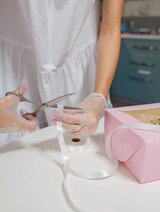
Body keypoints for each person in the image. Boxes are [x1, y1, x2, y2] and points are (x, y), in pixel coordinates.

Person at [0, 0, 124, 145]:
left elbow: (110, 30)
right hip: (13, 69)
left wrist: (99, 97)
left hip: (81, 77)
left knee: (82, 148)